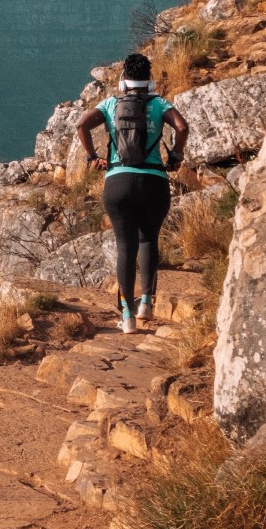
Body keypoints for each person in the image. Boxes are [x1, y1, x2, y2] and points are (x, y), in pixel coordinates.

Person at [74, 52, 189, 335]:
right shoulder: (160, 103)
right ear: (149, 80)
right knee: (149, 238)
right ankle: (147, 303)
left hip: (118, 182)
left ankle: (127, 316)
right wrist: (176, 154)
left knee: (126, 246)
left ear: (124, 79)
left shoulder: (112, 104)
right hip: (154, 182)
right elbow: (183, 127)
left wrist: (93, 158)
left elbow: (81, 125)